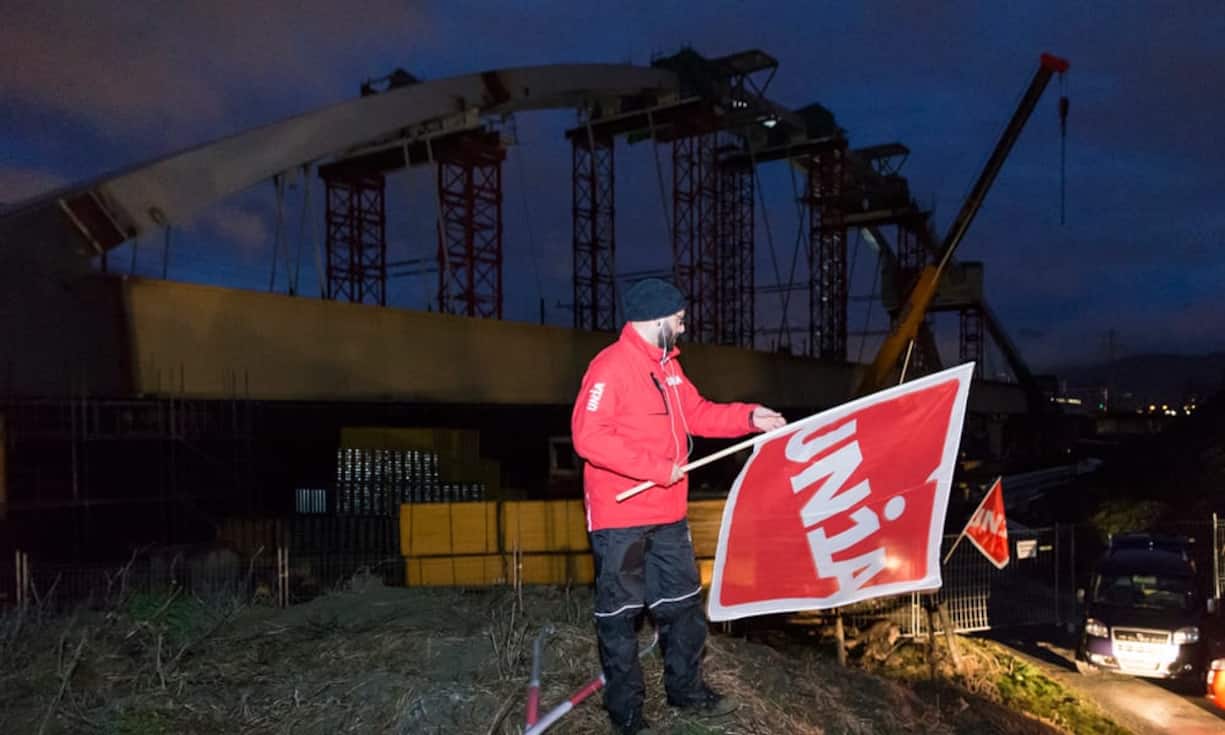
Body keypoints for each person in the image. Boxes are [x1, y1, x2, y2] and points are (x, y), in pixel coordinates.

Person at [570, 278, 786, 735]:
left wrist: (749, 418)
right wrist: (654, 468)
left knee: (683, 607)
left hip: (668, 515)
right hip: (621, 520)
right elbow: (588, 438)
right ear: (656, 318)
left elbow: (700, 413)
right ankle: (626, 713)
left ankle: (686, 692)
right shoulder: (609, 368)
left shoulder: (668, 367)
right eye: (680, 318)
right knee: (620, 615)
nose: (684, 326)